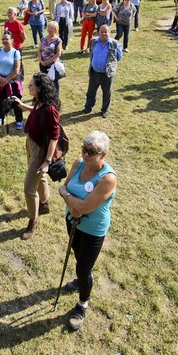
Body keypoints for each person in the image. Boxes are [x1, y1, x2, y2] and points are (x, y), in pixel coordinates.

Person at [57, 130, 117, 331]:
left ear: (103, 155)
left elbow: (82, 207)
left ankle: (83, 303)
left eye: (92, 151)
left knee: (84, 268)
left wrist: (73, 202)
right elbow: (64, 188)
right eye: (84, 149)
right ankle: (81, 280)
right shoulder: (78, 163)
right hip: (71, 222)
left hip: (93, 230)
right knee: (78, 256)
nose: (86, 154)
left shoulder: (107, 178)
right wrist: (73, 205)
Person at [9, 72, 62, 241]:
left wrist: (46, 161)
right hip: (31, 143)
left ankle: (33, 221)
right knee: (41, 178)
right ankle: (44, 204)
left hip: (40, 151)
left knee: (29, 188)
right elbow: (35, 111)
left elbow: (55, 136)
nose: (28, 87)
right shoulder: (39, 102)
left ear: (40, 88)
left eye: (31, 85)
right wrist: (21, 105)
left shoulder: (50, 109)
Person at [83, 25, 123, 118]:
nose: (103, 34)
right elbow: (91, 54)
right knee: (91, 92)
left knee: (106, 93)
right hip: (94, 72)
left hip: (107, 74)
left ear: (109, 33)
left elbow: (119, 57)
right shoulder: (93, 41)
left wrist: (111, 65)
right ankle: (88, 107)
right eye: (102, 32)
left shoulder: (115, 44)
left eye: (106, 32)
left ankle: (105, 110)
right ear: (99, 32)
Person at [0, 31, 23, 129]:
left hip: (13, 80)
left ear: (12, 40)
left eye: (7, 39)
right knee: (2, 99)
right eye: (3, 39)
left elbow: (16, 69)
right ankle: (1, 116)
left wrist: (6, 80)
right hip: (1, 80)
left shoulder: (15, 52)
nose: (5, 41)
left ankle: (19, 120)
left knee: (16, 100)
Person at [38, 21, 63, 91]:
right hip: (43, 64)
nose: (49, 29)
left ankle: (55, 96)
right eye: (49, 27)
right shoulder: (43, 39)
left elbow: (58, 54)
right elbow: (39, 50)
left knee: (54, 81)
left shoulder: (58, 40)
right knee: (44, 81)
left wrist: (49, 62)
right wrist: (41, 61)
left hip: (53, 65)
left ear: (55, 29)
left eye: (52, 28)